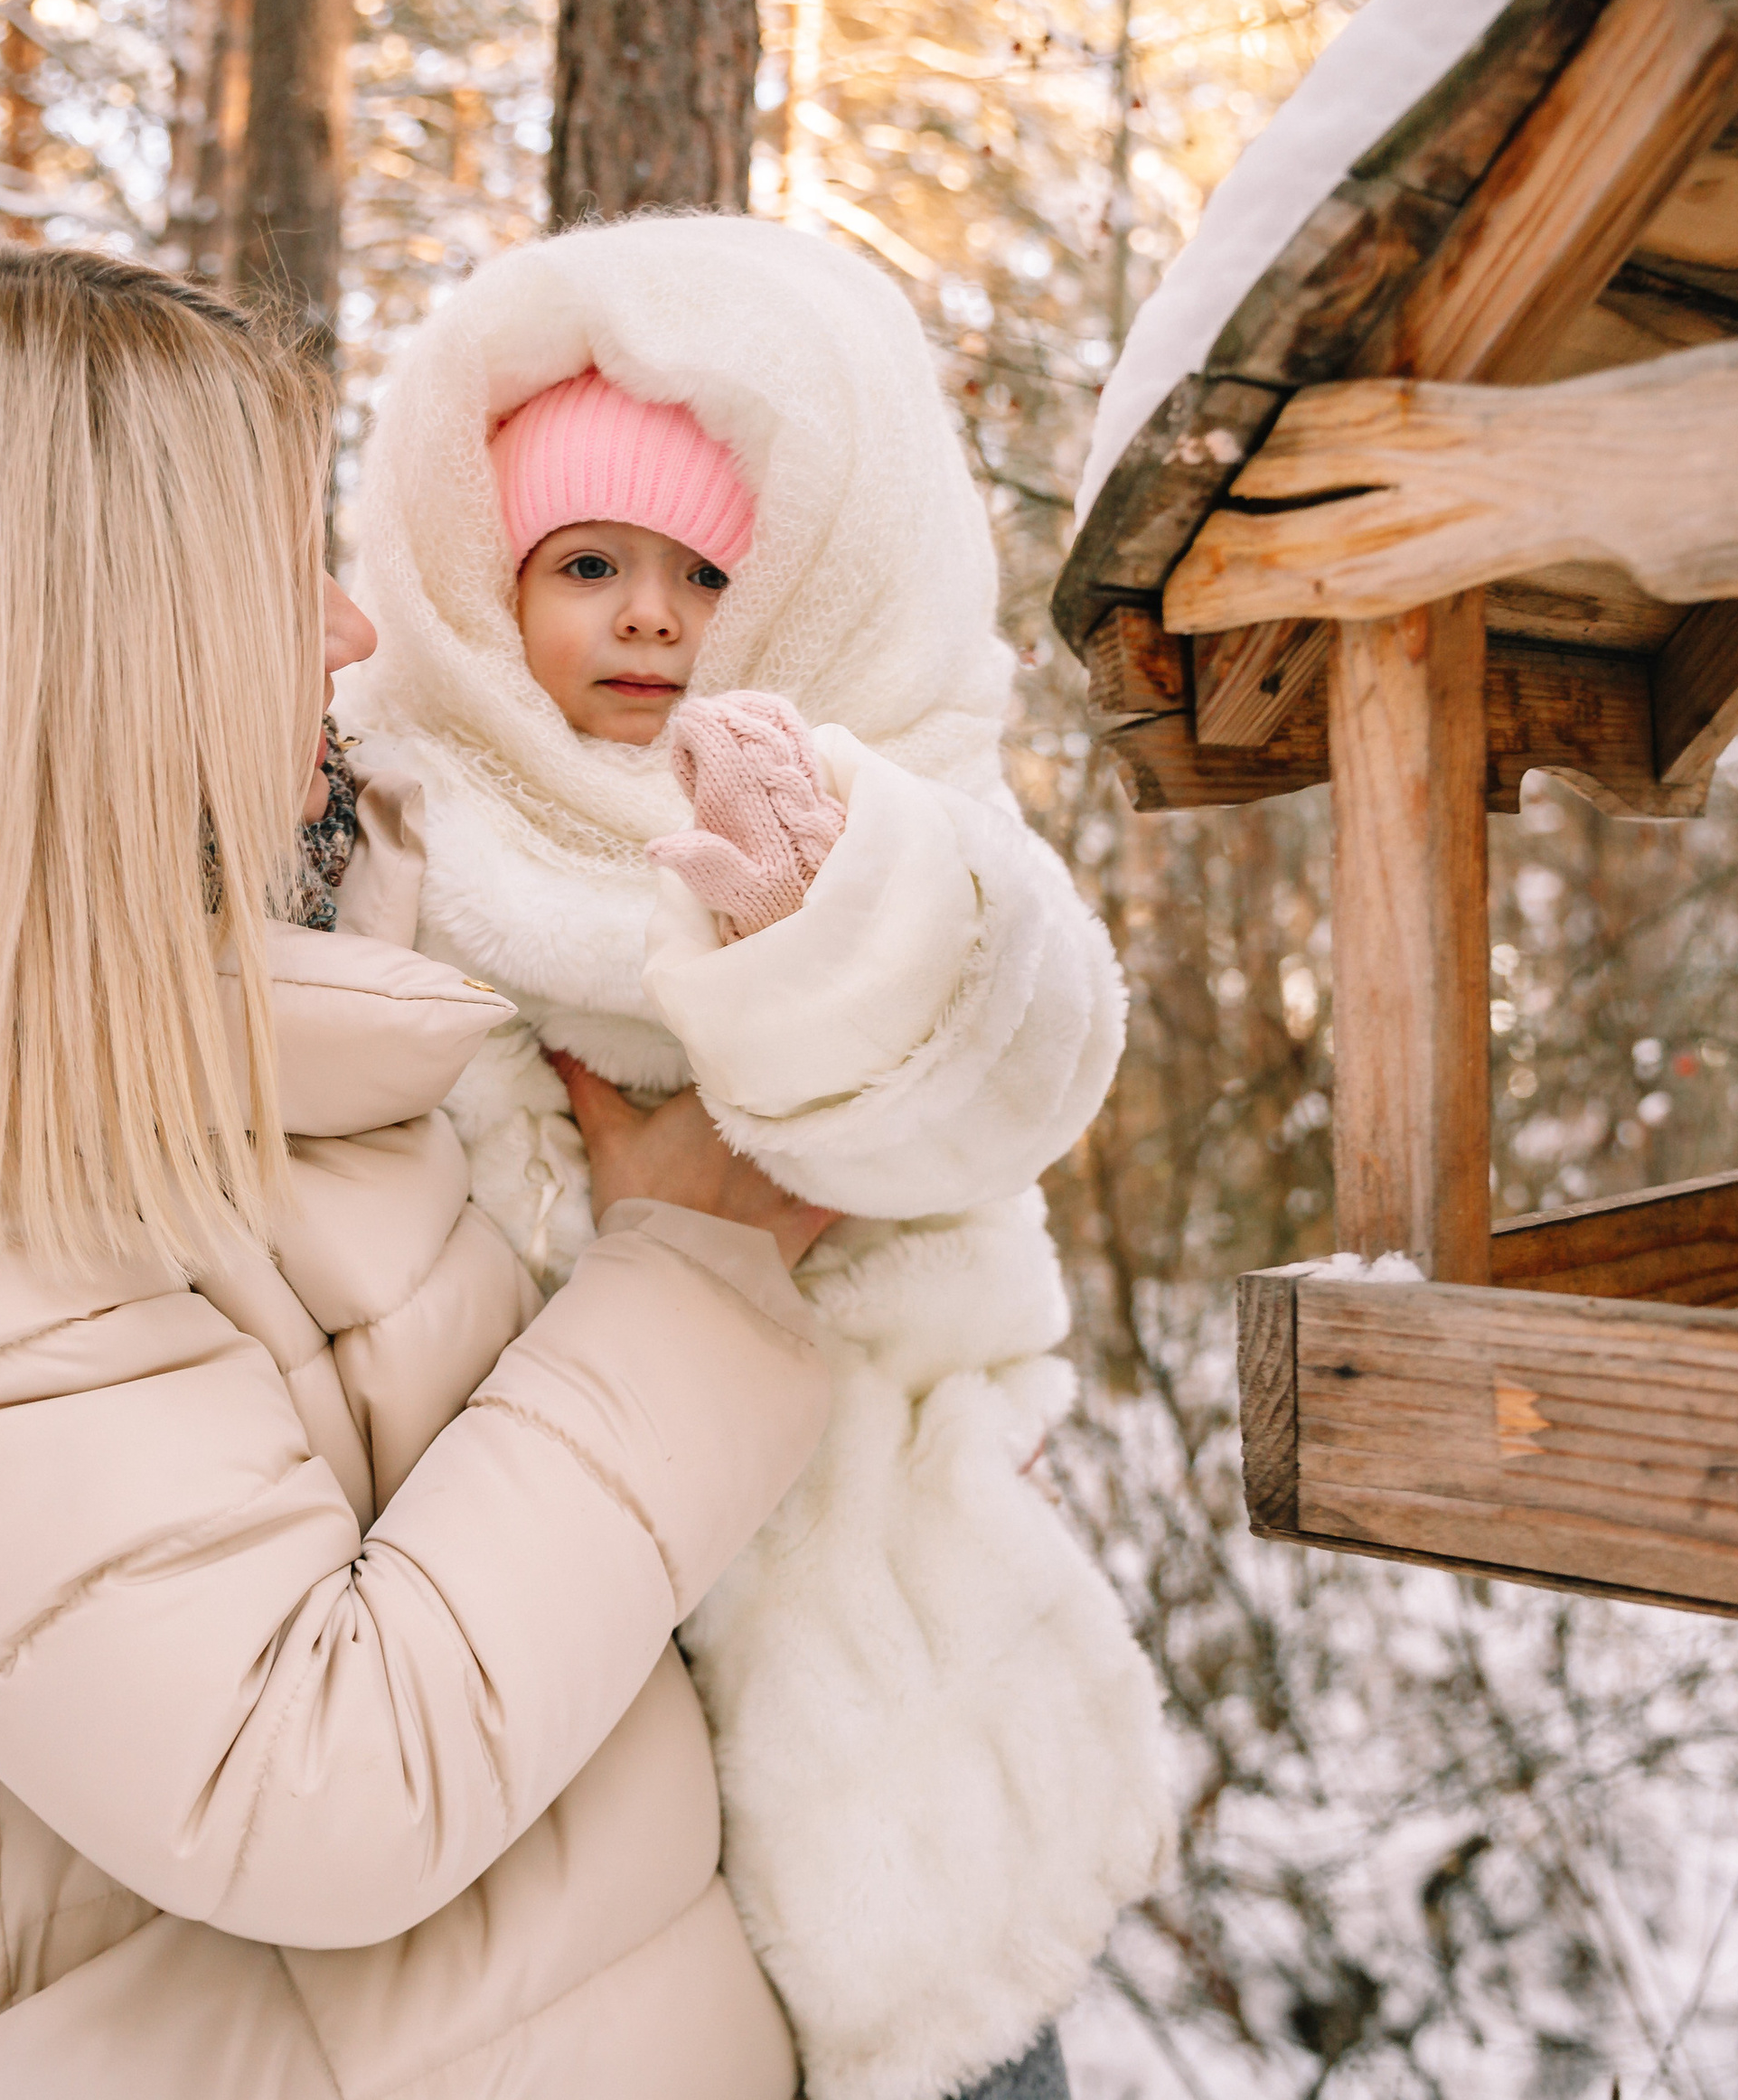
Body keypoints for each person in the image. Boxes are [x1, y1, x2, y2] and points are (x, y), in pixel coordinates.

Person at [0, 241, 847, 2099]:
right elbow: (318, 1782)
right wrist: (691, 1278)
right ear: (80, 642)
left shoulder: (237, 1032)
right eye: (275, 572)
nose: (349, 631)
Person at [343, 211, 1173, 2100]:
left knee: (923, 1958)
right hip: (537, 1563)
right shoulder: (403, 810)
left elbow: (997, 1053)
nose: (644, 612)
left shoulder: (890, 800)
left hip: (859, 1506)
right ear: (490, 587)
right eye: (585, 562)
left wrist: (831, 921)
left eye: (701, 568)